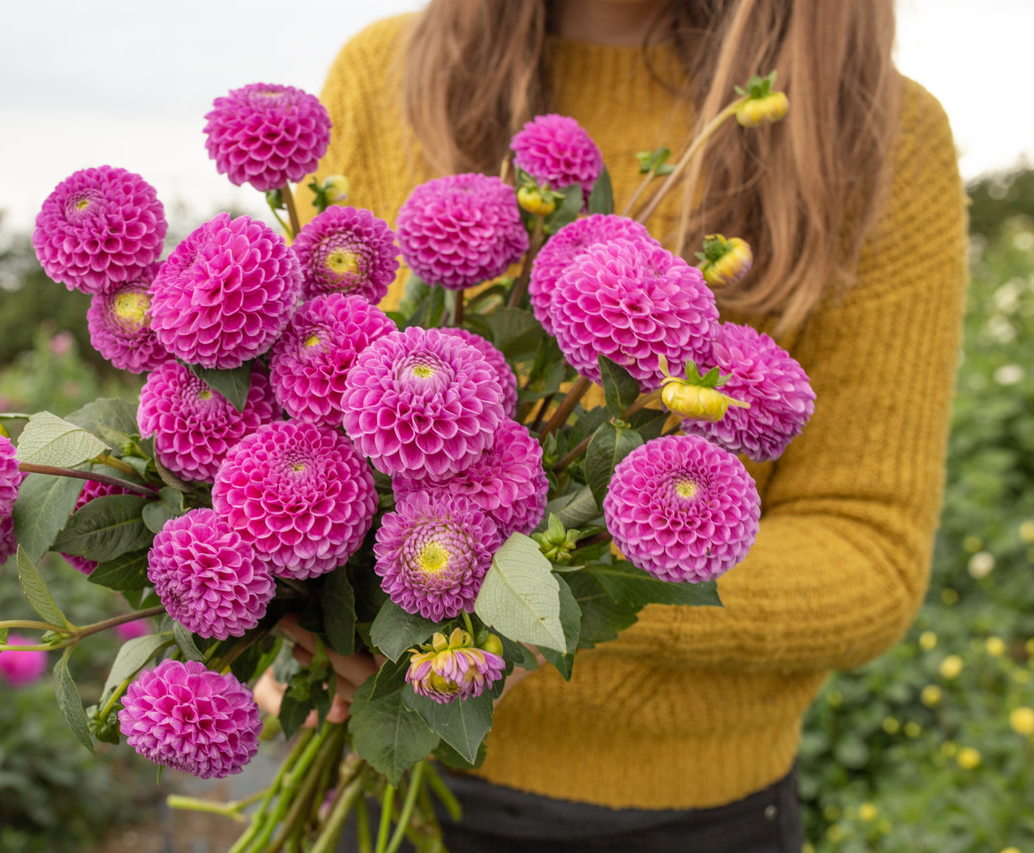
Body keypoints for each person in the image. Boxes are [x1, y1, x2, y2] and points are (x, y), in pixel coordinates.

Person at [281, 0, 968, 849]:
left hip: (691, 818)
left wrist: (527, 603)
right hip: (373, 770)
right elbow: (291, 407)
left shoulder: (873, 129)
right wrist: (295, 619)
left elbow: (869, 550)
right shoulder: (384, 72)